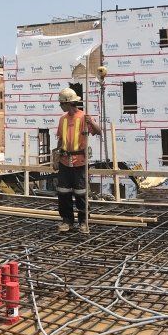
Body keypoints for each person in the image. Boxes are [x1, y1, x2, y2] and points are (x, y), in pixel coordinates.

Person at [52, 87, 103, 233]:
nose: (60, 106)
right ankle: (67, 220)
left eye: (61, 103)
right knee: (63, 192)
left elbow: (99, 132)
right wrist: (56, 158)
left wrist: (91, 123)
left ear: (68, 103)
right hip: (64, 160)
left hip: (79, 161)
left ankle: (83, 222)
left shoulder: (84, 117)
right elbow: (61, 140)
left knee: (81, 193)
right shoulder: (62, 119)